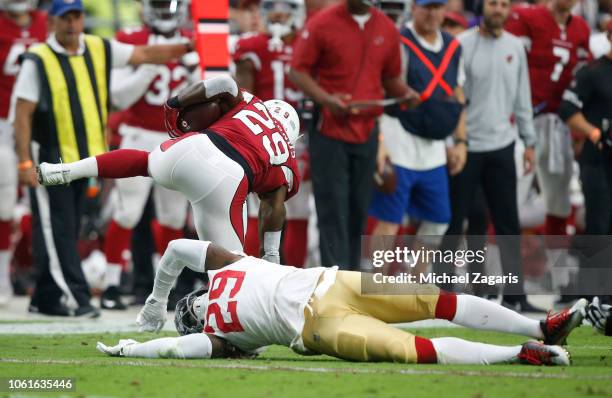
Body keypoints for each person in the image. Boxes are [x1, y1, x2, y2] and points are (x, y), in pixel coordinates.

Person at [96, 237, 587, 366]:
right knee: (418, 335)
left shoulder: (217, 322)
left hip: (326, 299)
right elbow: (179, 252)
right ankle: (526, 343)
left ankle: (538, 331)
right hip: (323, 307)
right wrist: (152, 311)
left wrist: (139, 336)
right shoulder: (216, 329)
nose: (199, 308)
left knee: (431, 309)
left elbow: (178, 347)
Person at [12, 0, 197, 317]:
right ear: (52, 22)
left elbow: (148, 55)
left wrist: (194, 47)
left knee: (169, 219)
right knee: (109, 218)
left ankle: (48, 297)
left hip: (117, 149)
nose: (71, 24)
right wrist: (25, 161)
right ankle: (91, 292)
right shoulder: (43, 57)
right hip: (94, 145)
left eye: (77, 17)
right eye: (64, 18)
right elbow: (25, 113)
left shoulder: (99, 46)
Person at [37, 76, 301, 265]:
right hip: (230, 180)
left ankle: (65, 170)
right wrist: (271, 257)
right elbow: (273, 208)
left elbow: (224, 84)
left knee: (143, 162)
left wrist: (174, 102)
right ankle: (213, 318)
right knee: (229, 267)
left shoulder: (252, 104)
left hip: (195, 146)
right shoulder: (287, 160)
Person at [290, 0, 418, 270]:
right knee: (332, 208)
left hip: (367, 130)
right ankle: (333, 280)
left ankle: (352, 277)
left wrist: (405, 94)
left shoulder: (387, 28)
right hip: (329, 128)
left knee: (359, 207)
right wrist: (326, 99)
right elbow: (297, 71)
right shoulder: (321, 23)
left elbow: (391, 79)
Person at [435, 0, 539, 311]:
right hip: (466, 146)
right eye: (493, 3)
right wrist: (453, 141)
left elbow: (523, 96)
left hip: (502, 145)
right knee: (454, 221)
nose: (498, 9)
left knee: (509, 222)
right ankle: (443, 291)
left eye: (504, 4)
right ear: (482, 7)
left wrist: (529, 140)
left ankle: (515, 295)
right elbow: (452, 94)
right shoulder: (460, 45)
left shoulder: (516, 47)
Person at [99, 0, 199, 310]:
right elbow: (117, 97)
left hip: (178, 139)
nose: (163, 11)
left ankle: (164, 287)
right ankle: (111, 283)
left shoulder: (193, 43)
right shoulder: (131, 39)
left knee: (171, 218)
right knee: (128, 212)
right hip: (139, 133)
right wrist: (147, 70)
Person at [370, 0, 468, 277]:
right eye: (427, 7)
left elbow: (457, 94)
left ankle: (415, 282)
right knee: (390, 219)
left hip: (434, 145)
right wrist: (380, 143)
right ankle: (377, 285)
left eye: (438, 7)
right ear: (414, 8)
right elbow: (380, 90)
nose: (433, 13)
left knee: (439, 219)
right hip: (398, 137)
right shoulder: (398, 40)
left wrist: (461, 141)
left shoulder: (452, 46)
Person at [233, 0, 312, 267]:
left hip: (302, 136)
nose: (278, 13)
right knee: (258, 203)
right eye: (271, 7)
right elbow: (242, 96)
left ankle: (295, 273)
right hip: (261, 137)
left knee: (299, 209)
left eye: (286, 7)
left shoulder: (310, 41)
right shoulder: (251, 45)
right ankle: (252, 273)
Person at [505, 0, 591, 238]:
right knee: (508, 201)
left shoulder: (581, 28)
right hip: (522, 120)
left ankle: (560, 275)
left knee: (560, 203)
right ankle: (498, 272)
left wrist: (578, 131)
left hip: (560, 124)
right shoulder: (525, 18)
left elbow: (585, 81)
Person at [558, 20, 612, 299]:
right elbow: (566, 108)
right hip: (597, 158)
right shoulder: (592, 72)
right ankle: (591, 291)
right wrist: (592, 131)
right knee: (599, 224)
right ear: (609, 36)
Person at [0, 0, 47, 305]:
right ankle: (2, 276)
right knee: (4, 204)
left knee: (46, 202)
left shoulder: (48, 21)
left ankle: (49, 280)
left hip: (41, 124)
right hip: (4, 124)